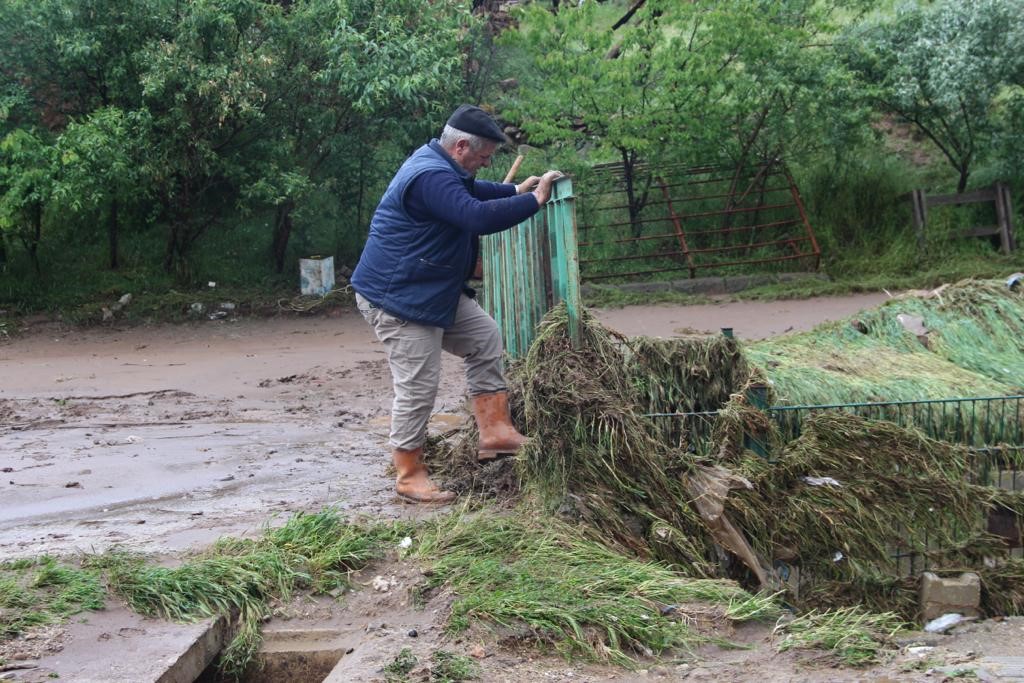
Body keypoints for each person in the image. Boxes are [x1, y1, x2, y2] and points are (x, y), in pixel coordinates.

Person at [350, 104, 562, 504]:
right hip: (399, 298)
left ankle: (495, 431)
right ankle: (409, 473)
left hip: (429, 289)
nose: (484, 164)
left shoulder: (443, 166)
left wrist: (514, 191)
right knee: (418, 386)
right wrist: (534, 201)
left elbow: (471, 192)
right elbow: (474, 215)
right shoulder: (428, 175)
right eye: (482, 157)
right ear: (461, 145)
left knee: (484, 336)